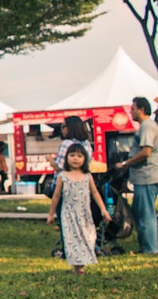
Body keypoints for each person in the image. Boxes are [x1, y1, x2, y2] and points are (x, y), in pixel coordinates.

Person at [47, 142, 112, 274]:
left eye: (79, 156)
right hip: (68, 214)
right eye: (72, 155)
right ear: (66, 158)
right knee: (72, 239)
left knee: (88, 237)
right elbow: (56, 196)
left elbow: (95, 193)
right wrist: (51, 214)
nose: (75, 158)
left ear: (85, 159)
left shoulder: (87, 176)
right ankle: (78, 267)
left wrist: (103, 209)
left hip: (84, 214)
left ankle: (82, 262)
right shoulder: (62, 176)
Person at [115, 96, 158, 254]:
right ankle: (147, 246)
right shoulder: (147, 126)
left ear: (141, 109)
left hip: (146, 176)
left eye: (133, 108)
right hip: (144, 176)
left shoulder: (147, 126)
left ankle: (150, 248)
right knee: (143, 212)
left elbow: (146, 151)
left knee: (146, 214)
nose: (131, 112)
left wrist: (126, 163)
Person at [47, 116, 92, 197]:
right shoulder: (87, 144)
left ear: (70, 128)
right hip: (81, 187)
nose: (62, 130)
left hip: (64, 188)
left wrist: (50, 159)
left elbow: (59, 167)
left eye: (63, 126)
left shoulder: (66, 144)